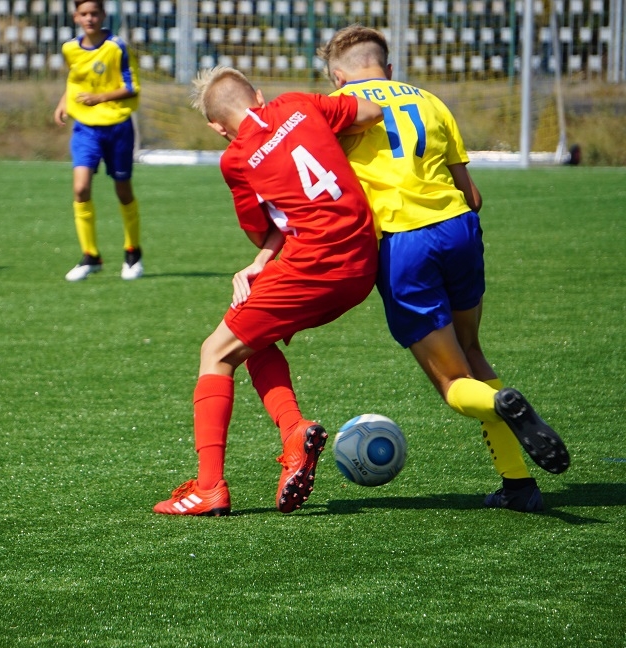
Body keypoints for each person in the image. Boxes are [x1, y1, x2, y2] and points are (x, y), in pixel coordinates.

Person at [317, 25, 570, 513]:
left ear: (337, 78)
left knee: (453, 383)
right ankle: (518, 485)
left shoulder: (341, 112)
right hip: (458, 229)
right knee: (472, 350)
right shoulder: (431, 101)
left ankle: (502, 405)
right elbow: (473, 195)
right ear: (388, 68)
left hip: (403, 243)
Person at [153, 67, 384, 516]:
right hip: (363, 261)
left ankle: (209, 488)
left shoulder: (235, 158)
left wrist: (262, 255)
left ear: (217, 127)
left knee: (215, 352)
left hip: (315, 263)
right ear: (258, 95)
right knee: (251, 337)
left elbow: (262, 229)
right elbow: (370, 111)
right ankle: (294, 432)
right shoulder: (299, 104)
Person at [53, 0, 143, 282]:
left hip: (117, 127)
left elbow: (131, 87)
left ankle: (132, 251)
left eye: (94, 13)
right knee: (80, 189)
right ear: (75, 17)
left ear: (103, 15)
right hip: (85, 129)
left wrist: (100, 98)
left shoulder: (117, 48)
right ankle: (90, 255)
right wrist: (63, 102)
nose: (89, 18)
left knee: (123, 191)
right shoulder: (69, 48)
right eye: (84, 14)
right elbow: (76, 79)